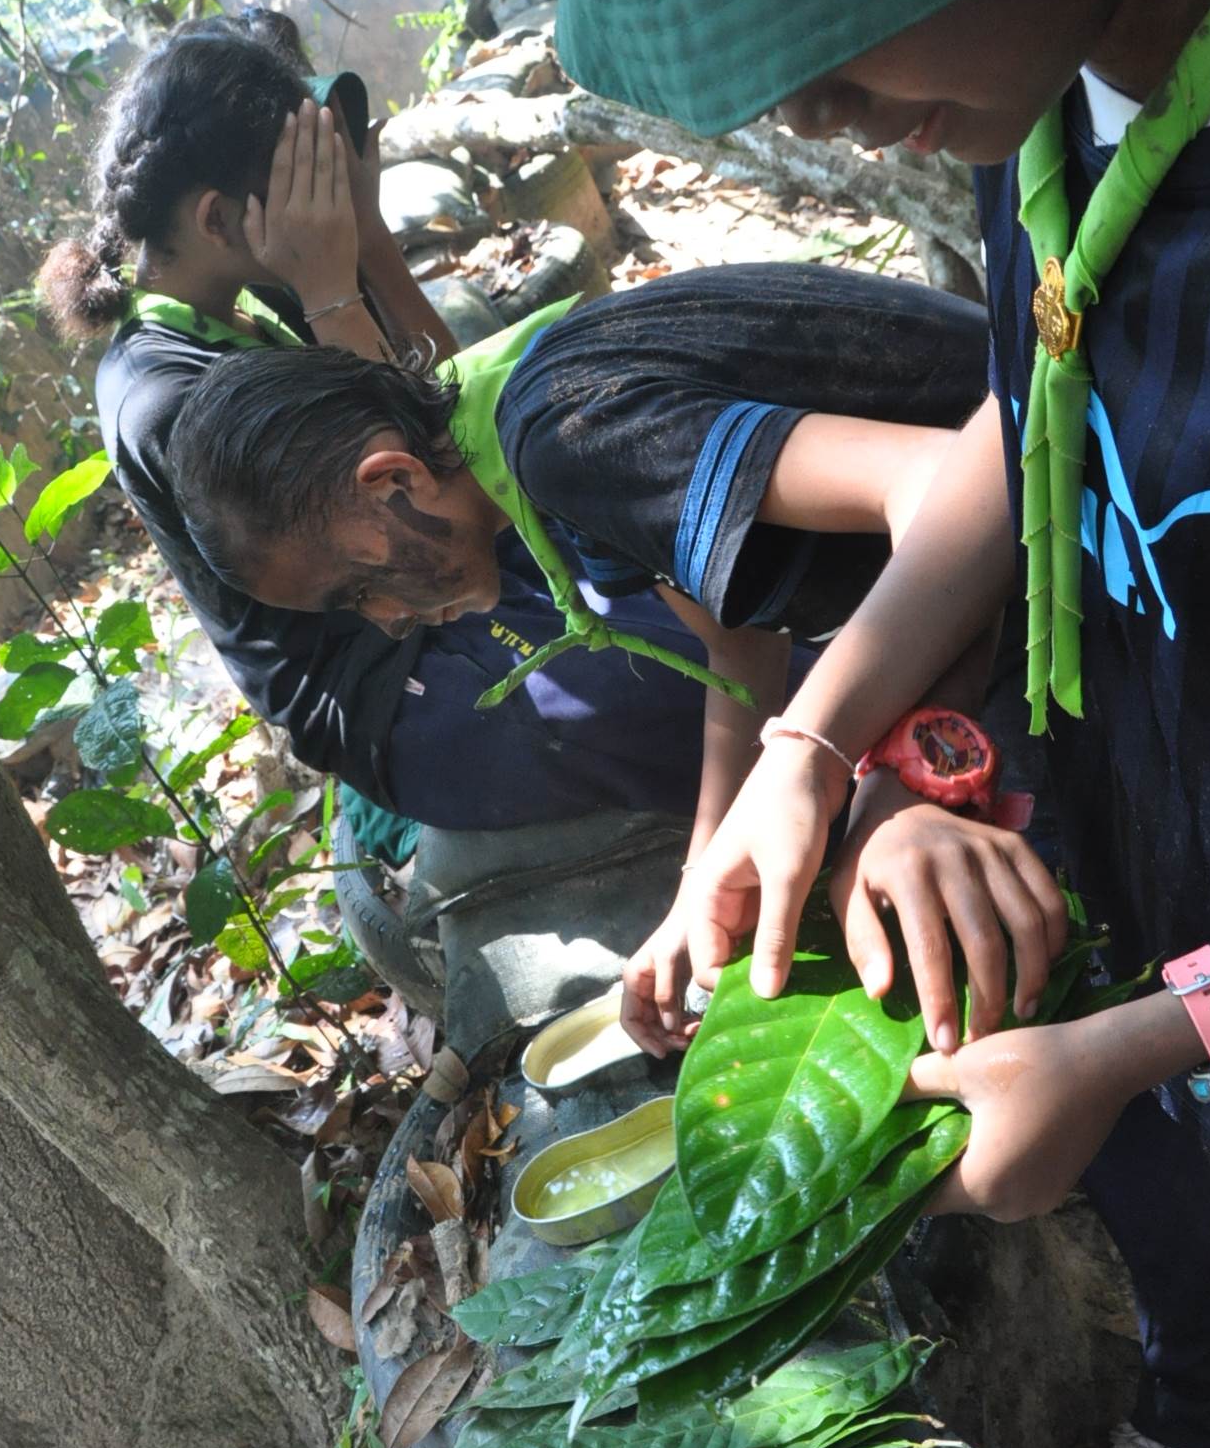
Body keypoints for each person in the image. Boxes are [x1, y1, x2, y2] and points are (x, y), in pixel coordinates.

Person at [470, 0, 1210, 1448]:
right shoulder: (1059, 95)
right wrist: (809, 748)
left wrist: (1130, 1046)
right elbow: (1025, 436)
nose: (799, 100)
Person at [161, 264, 1006, 1049]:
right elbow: (739, 642)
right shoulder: (516, 452)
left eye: (357, 591)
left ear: (392, 481)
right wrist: (699, 884)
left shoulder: (560, 437)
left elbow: (959, 479)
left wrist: (870, 773)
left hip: (1061, 508)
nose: (384, 623)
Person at [35, 16, 793, 848]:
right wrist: (329, 290)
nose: (320, 201)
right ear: (218, 219)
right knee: (656, 703)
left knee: (703, 576)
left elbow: (449, 419)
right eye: (301, 182)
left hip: (444, 551)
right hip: (386, 659)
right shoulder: (159, 396)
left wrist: (367, 247)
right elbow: (392, 496)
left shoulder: (262, 291)